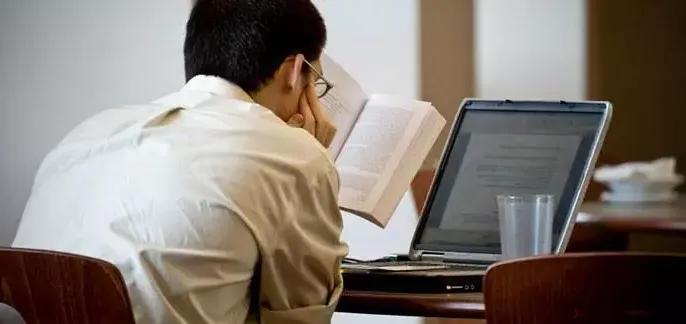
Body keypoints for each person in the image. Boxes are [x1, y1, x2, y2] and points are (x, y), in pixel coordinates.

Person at [12, 0, 348, 323]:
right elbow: (304, 316)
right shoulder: (293, 154)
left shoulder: (87, 133)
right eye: (315, 81)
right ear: (293, 70)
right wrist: (308, 156)